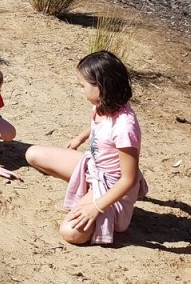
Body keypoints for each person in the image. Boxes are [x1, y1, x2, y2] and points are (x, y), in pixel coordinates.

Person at [25, 51, 148, 245]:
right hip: (93, 166)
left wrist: (96, 207)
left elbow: (129, 179)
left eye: (83, 86)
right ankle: (88, 191)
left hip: (112, 184)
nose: (81, 91)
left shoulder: (125, 127)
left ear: (101, 86)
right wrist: (80, 138)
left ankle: (99, 204)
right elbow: (98, 125)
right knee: (32, 154)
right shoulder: (103, 103)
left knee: (71, 233)